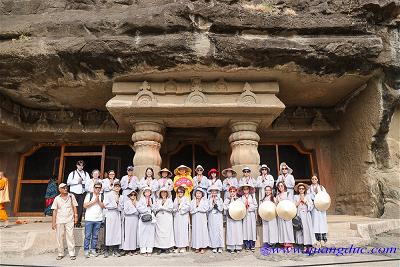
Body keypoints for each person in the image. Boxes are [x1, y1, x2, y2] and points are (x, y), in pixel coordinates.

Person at [51, 183, 78, 260]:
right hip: (59, 220)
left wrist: (76, 216)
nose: (66, 189)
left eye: (66, 187)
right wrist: (53, 222)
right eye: (63, 188)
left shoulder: (71, 196)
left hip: (70, 219)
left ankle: (72, 253)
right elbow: (54, 211)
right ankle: (60, 253)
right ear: (60, 190)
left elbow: (74, 206)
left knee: (70, 235)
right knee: (59, 236)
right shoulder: (57, 198)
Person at [83, 182, 105, 258]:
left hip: (98, 219)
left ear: (101, 189)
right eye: (96, 187)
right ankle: (86, 250)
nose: (98, 189)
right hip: (89, 218)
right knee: (87, 236)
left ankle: (93, 250)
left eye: (99, 188)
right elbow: (85, 205)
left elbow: (103, 206)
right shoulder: (89, 195)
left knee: (95, 236)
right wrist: (94, 201)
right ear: (93, 188)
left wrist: (98, 201)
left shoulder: (102, 196)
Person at [67, 160, 90, 227]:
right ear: (77, 165)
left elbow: (88, 182)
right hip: (73, 192)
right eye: (79, 165)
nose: (81, 166)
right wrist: (77, 181)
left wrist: (82, 182)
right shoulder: (72, 173)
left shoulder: (86, 173)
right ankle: (71, 221)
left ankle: (78, 222)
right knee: (72, 207)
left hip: (82, 193)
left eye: (82, 165)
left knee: (80, 208)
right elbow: (68, 182)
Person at [307, 175, 328, 248]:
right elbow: (308, 197)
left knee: (322, 222)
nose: (314, 180)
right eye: (312, 179)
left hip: (321, 207)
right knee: (315, 223)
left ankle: (324, 239)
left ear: (317, 180)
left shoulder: (322, 188)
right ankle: (317, 239)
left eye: (315, 178)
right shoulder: (309, 189)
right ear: (311, 180)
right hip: (314, 207)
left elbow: (325, 196)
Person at [294, 183, 316, 252]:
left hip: (306, 214)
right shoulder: (295, 197)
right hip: (299, 214)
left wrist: (305, 201)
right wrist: (299, 202)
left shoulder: (308, 196)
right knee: (300, 229)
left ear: (304, 189)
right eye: (300, 189)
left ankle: (308, 243)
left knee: (307, 229)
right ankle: (301, 243)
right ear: (298, 190)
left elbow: (311, 206)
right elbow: (293, 206)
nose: (301, 190)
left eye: (302, 189)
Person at [103, 181, 122, 257]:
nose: (117, 188)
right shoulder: (108, 194)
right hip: (110, 214)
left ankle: (115, 250)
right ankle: (106, 250)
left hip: (117, 215)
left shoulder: (121, 196)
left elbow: (122, 207)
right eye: (116, 186)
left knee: (116, 233)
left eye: (118, 186)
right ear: (113, 187)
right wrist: (115, 205)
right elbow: (105, 205)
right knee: (108, 232)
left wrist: (118, 205)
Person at [154, 187, 175, 254]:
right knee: (159, 232)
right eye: (162, 192)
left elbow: (171, 208)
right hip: (159, 218)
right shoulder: (157, 200)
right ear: (160, 193)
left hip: (167, 217)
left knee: (167, 232)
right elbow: (155, 208)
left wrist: (162, 207)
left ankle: (167, 247)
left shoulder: (169, 200)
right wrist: (162, 207)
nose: (163, 193)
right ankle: (159, 247)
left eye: (165, 192)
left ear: (167, 193)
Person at [223, 186, 243, 253]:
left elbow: (241, 207)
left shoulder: (239, 199)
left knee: (237, 231)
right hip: (230, 218)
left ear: (236, 192)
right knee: (231, 231)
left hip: (237, 218)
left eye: (233, 191)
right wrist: (230, 203)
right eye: (231, 191)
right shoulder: (227, 199)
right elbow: (225, 207)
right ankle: (231, 247)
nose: (232, 193)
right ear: (229, 192)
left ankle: (238, 247)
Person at [137, 186, 156, 256]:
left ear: (150, 193)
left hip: (151, 217)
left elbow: (155, 208)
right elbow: (139, 208)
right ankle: (143, 249)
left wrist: (151, 205)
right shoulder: (141, 199)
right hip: (143, 218)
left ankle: (149, 249)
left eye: (149, 191)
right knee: (142, 233)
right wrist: (147, 209)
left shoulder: (152, 199)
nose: (147, 193)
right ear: (144, 193)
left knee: (150, 233)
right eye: (146, 191)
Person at [190, 187, 210, 254]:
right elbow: (191, 210)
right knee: (196, 232)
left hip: (202, 218)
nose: (198, 195)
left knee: (202, 231)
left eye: (199, 193)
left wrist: (197, 208)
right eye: (197, 193)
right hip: (195, 218)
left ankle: (203, 247)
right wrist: (197, 209)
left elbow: (205, 209)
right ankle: (197, 247)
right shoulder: (192, 201)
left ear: (202, 194)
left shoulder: (205, 201)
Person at [276, 181, 295, 249]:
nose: (280, 187)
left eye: (282, 186)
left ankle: (289, 243)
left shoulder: (288, 194)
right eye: (279, 186)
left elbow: (291, 203)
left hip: (287, 213)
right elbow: (277, 204)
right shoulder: (277, 196)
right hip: (281, 214)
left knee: (288, 228)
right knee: (282, 228)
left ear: (284, 186)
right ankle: (284, 243)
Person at [239, 183, 257, 251]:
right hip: (245, 215)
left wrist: (249, 206)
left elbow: (255, 205)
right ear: (243, 190)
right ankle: (246, 245)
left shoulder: (252, 196)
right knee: (245, 229)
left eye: (247, 189)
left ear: (249, 190)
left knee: (252, 229)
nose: (246, 190)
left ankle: (252, 244)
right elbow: (240, 206)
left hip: (251, 214)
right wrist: (244, 206)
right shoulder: (241, 198)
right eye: (244, 189)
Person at [173, 186, 190, 253]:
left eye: (181, 192)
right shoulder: (175, 199)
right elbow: (173, 208)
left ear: (183, 192)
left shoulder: (186, 198)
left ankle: (183, 247)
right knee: (177, 231)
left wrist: (181, 208)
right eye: (179, 192)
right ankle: (178, 247)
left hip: (183, 216)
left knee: (183, 231)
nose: (180, 193)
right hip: (177, 216)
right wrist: (175, 209)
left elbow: (188, 207)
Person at [121, 189, 139, 255]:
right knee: (128, 234)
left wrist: (134, 208)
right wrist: (134, 210)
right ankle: (127, 249)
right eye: (131, 195)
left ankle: (133, 249)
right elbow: (126, 211)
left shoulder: (137, 202)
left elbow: (139, 212)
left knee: (134, 234)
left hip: (135, 219)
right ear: (129, 196)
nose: (133, 196)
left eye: (134, 195)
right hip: (128, 220)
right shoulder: (126, 202)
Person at [207, 184, 224, 253]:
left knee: (219, 230)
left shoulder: (220, 199)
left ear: (217, 192)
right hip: (211, 216)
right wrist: (212, 203)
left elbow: (221, 208)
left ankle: (220, 246)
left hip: (218, 216)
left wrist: (216, 204)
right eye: (212, 192)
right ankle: (214, 246)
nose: (214, 193)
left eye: (215, 191)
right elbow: (208, 208)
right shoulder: (208, 199)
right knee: (212, 230)